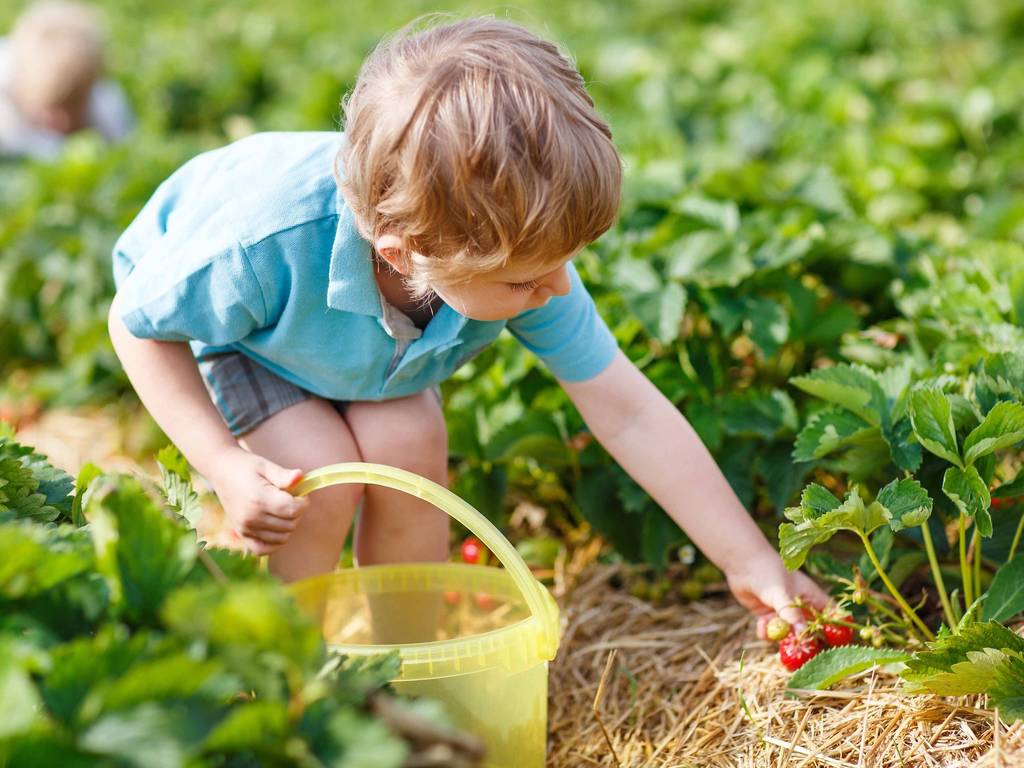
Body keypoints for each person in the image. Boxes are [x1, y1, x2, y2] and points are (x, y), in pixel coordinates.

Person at [107, 16, 827, 633]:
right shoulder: (257, 245)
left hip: (362, 343)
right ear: (407, 255)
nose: (555, 289)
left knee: (408, 441)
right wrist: (224, 466)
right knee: (316, 476)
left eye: (563, 263)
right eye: (524, 280)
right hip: (253, 328)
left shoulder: (517, 264)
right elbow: (138, 324)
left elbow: (628, 411)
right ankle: (274, 663)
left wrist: (751, 560)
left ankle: (408, 657)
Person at [0, 1, 134, 160]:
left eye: (74, 104)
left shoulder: (108, 106)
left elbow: (125, 154)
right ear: (20, 86)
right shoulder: (7, 86)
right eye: (52, 107)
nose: (64, 122)